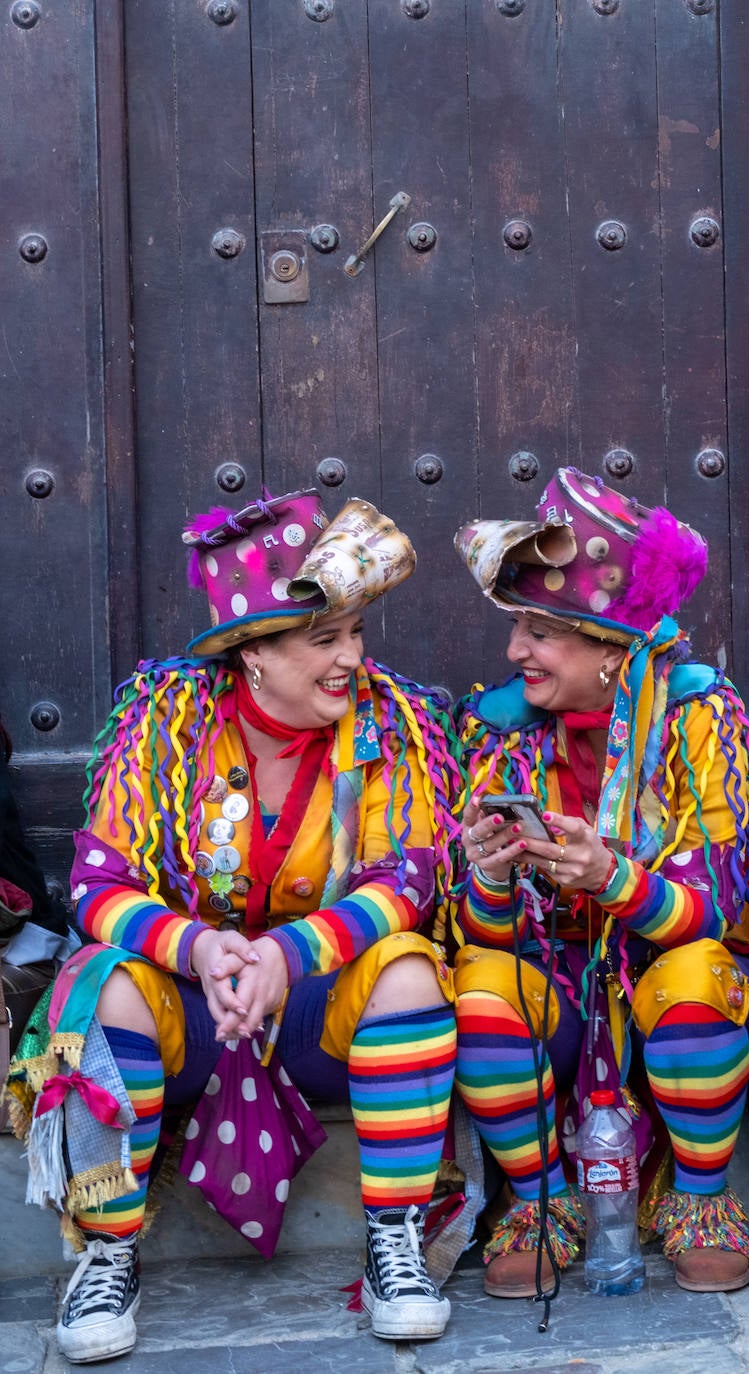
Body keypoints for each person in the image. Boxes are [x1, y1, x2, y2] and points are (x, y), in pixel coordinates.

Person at [6, 489, 460, 1361]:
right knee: (99, 983)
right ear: (251, 656)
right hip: (193, 1015)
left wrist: (290, 954)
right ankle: (106, 1252)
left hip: (314, 1009)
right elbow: (99, 885)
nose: (351, 660)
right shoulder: (165, 723)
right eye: (323, 640)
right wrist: (202, 946)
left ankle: (395, 1243)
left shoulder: (388, 723)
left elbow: (405, 877)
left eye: (355, 634)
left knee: (406, 965)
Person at [450, 466, 749, 1300]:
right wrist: (490, 880)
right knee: (485, 987)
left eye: (538, 631)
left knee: (699, 974)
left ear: (612, 650)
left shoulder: (699, 721)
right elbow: (485, 938)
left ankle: (700, 1202)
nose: (514, 650)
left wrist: (611, 879)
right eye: (517, 627)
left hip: (660, 983)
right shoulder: (501, 734)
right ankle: (540, 1205)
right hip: (558, 988)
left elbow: (715, 906)